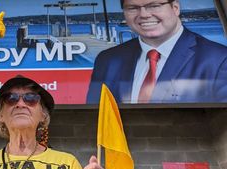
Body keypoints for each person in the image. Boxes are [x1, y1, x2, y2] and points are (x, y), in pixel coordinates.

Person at [86, 0, 227, 104]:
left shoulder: (219, 59)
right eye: (132, 8)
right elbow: (93, 119)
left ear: (175, 8)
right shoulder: (107, 59)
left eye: (154, 5)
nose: (144, 14)